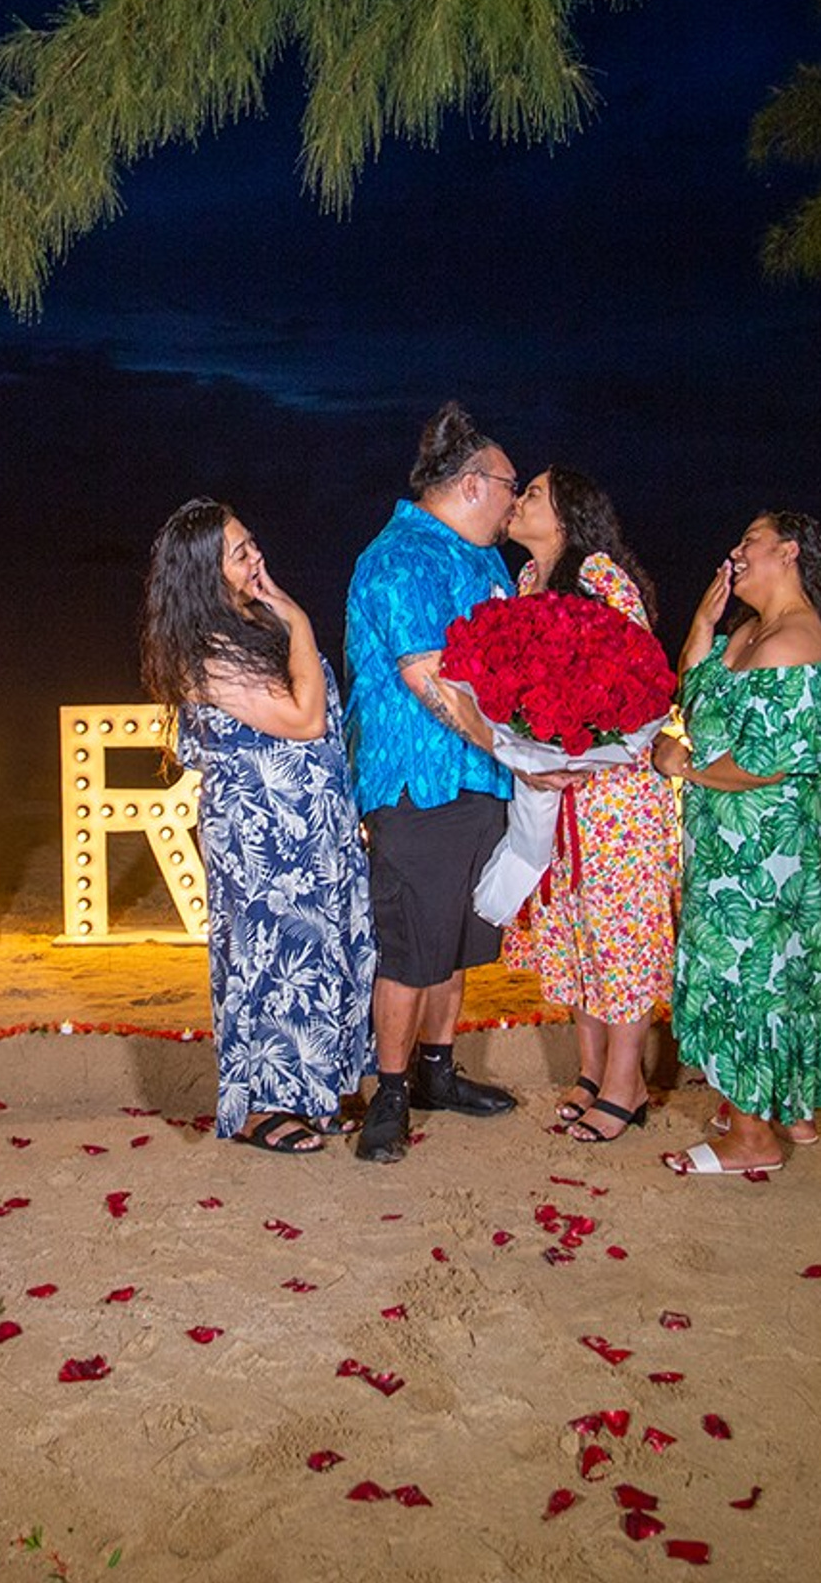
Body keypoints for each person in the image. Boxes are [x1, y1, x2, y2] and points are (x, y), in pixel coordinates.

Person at [141, 498, 376, 1154]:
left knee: (322, 952)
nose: (256, 556)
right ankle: (259, 1106)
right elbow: (304, 720)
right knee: (270, 960)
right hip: (263, 837)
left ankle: (314, 1091)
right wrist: (300, 617)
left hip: (313, 827)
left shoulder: (253, 623)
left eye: (252, 542)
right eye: (239, 552)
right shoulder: (210, 651)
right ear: (202, 574)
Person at [653, 511, 821, 1176]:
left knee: (752, 976)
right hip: (730, 839)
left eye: (749, 540)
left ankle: (753, 1138)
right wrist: (701, 619)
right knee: (764, 973)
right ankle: (780, 1105)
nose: (735, 550)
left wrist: (682, 767)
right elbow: (695, 692)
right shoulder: (751, 633)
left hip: (761, 851)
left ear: (789, 551)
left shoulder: (794, 643)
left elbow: (766, 763)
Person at [343, 402, 525, 1163]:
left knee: (455, 943)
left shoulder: (485, 558)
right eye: (512, 485)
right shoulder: (399, 557)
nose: (517, 501)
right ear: (476, 483)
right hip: (420, 783)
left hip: (483, 778)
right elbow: (434, 682)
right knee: (412, 946)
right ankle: (388, 1091)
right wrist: (519, 750)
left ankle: (438, 1073)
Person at [500, 468, 682, 1143]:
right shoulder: (523, 586)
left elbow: (634, 678)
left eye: (536, 495)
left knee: (618, 934)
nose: (519, 503)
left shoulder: (600, 576)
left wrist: (578, 746)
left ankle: (625, 1082)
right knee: (573, 928)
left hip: (612, 794)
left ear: (569, 516)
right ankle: (592, 1069)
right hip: (556, 790)